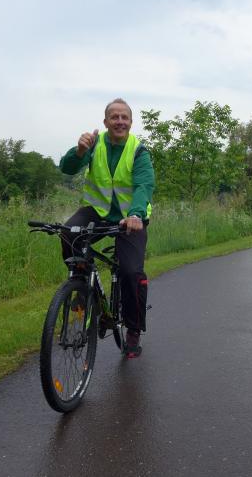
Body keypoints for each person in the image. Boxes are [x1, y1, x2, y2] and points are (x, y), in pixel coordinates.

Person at [59, 98, 155, 359]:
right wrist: (79, 151)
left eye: (124, 117)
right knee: (68, 233)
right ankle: (82, 286)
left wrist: (135, 214)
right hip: (97, 211)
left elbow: (144, 185)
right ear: (105, 122)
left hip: (130, 218)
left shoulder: (138, 151)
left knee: (130, 271)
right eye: (114, 117)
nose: (119, 121)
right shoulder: (94, 144)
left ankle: (133, 329)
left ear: (131, 122)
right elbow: (66, 168)